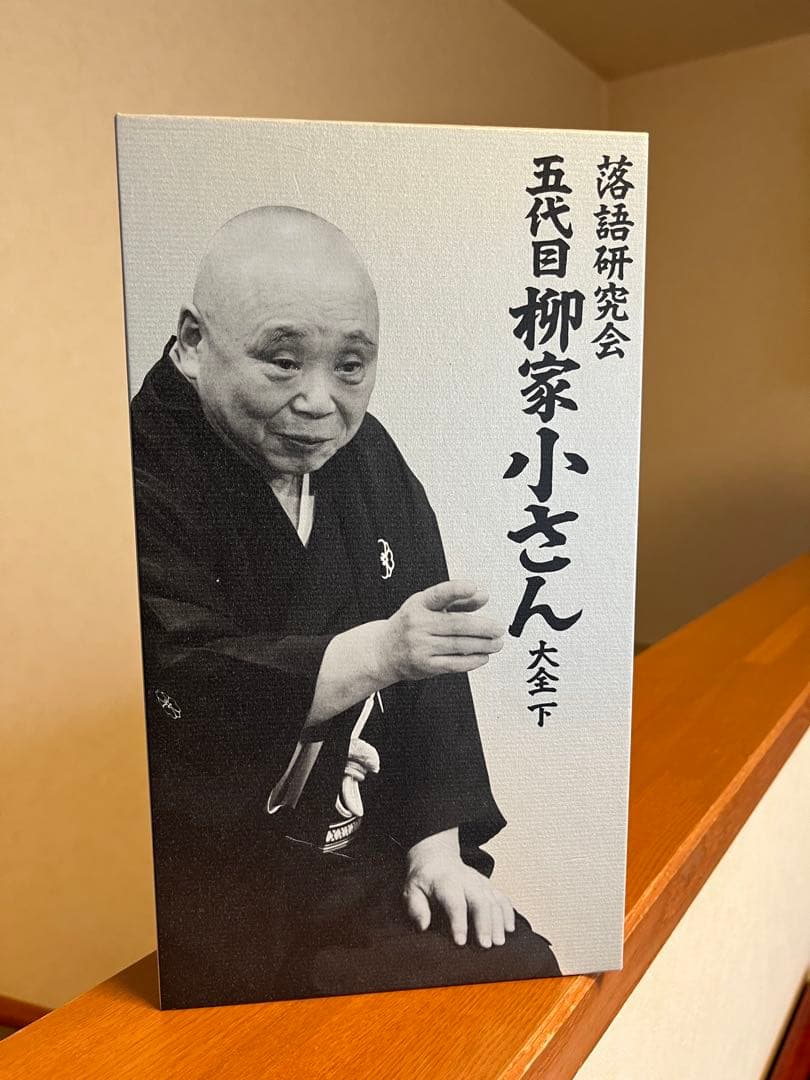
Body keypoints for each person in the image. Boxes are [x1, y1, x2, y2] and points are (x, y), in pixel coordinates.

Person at [130, 205, 560, 1008]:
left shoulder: (366, 458)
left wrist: (436, 850)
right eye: (283, 361)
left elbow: (428, 669)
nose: (320, 402)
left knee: (517, 972)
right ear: (191, 341)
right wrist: (380, 653)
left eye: (351, 366)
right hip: (207, 885)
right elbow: (177, 678)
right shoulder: (138, 468)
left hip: (358, 859)